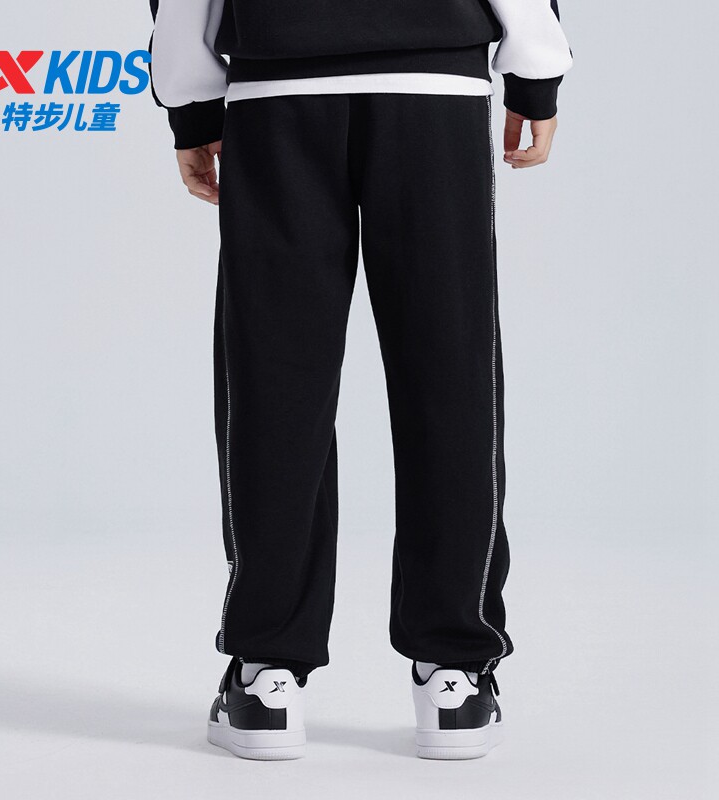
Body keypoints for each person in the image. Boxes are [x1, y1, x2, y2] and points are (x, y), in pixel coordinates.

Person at [147, 0, 572, 761]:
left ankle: (266, 671)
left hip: (278, 87)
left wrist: (191, 100)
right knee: (450, 372)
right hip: (433, 87)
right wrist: (536, 69)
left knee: (275, 379)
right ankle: (455, 672)